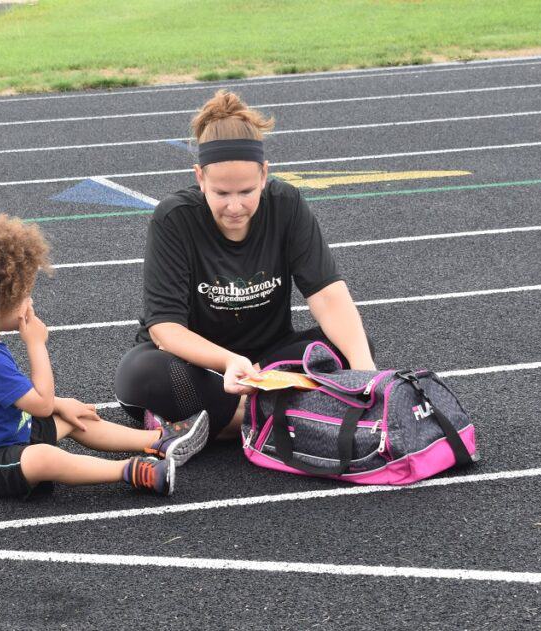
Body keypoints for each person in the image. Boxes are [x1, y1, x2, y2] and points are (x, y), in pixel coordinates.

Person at [114, 90, 375, 442]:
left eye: (247, 192)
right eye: (221, 193)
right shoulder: (174, 218)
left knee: (352, 346)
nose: (234, 206)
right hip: (201, 366)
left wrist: (368, 375)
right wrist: (226, 362)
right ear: (200, 177)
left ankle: (218, 425)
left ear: (265, 174)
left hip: (270, 362)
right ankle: (289, 415)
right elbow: (165, 329)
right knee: (140, 374)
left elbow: (327, 295)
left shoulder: (286, 205)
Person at [0, 213, 208, 499]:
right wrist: (36, 344)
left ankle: (159, 440)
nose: (30, 301)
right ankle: (131, 470)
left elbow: (19, 399)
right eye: (23, 294)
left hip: (11, 432)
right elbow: (40, 403)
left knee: (74, 417)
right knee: (44, 458)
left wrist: (60, 405)